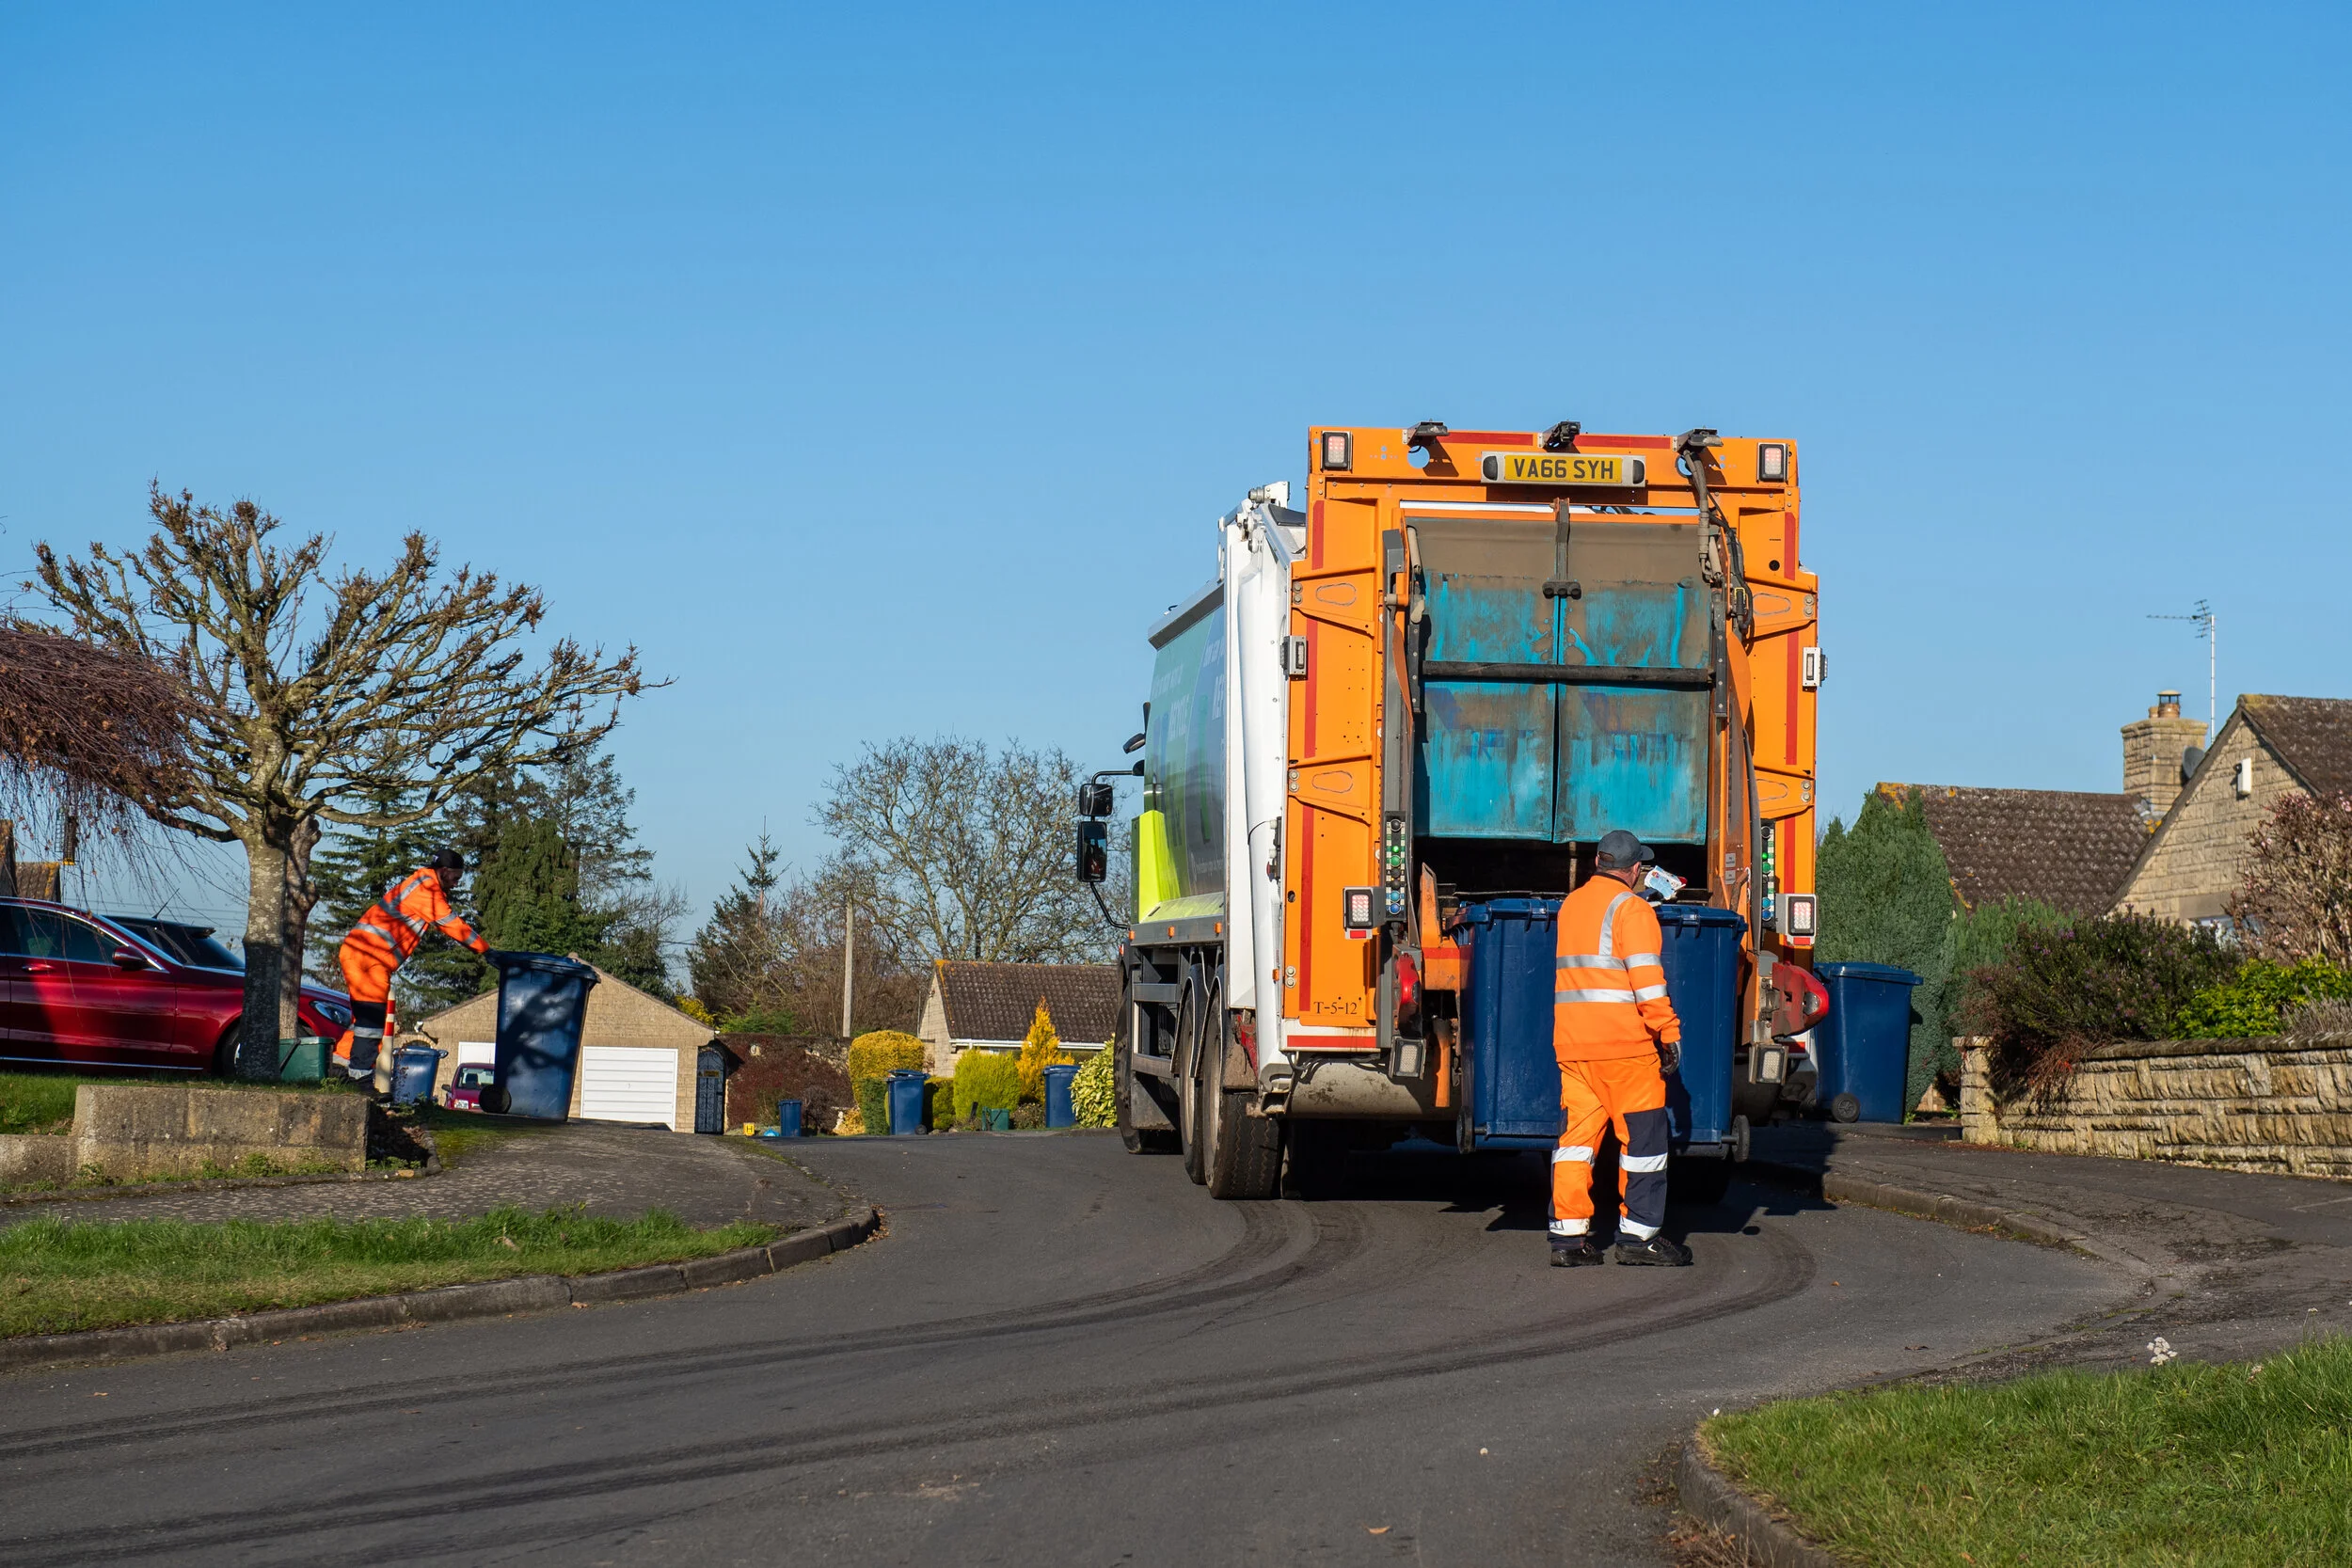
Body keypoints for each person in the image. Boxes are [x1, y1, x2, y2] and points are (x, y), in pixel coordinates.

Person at [1549, 829, 1693, 1268]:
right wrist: (1667, 1032)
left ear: (1597, 862)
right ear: (1635, 870)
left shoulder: (1572, 905)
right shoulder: (1632, 909)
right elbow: (1647, 981)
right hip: (1625, 1049)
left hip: (1574, 1047)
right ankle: (1638, 1237)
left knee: (1575, 1144)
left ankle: (1568, 1240)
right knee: (1643, 1143)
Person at [330, 848, 488, 1083]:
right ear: (444, 871)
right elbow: (452, 925)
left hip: (364, 954)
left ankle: (339, 1067)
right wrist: (486, 950)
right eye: (455, 878)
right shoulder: (427, 890)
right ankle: (360, 1077)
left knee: (366, 1018)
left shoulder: (422, 883)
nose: (456, 884)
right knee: (372, 1020)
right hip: (370, 958)